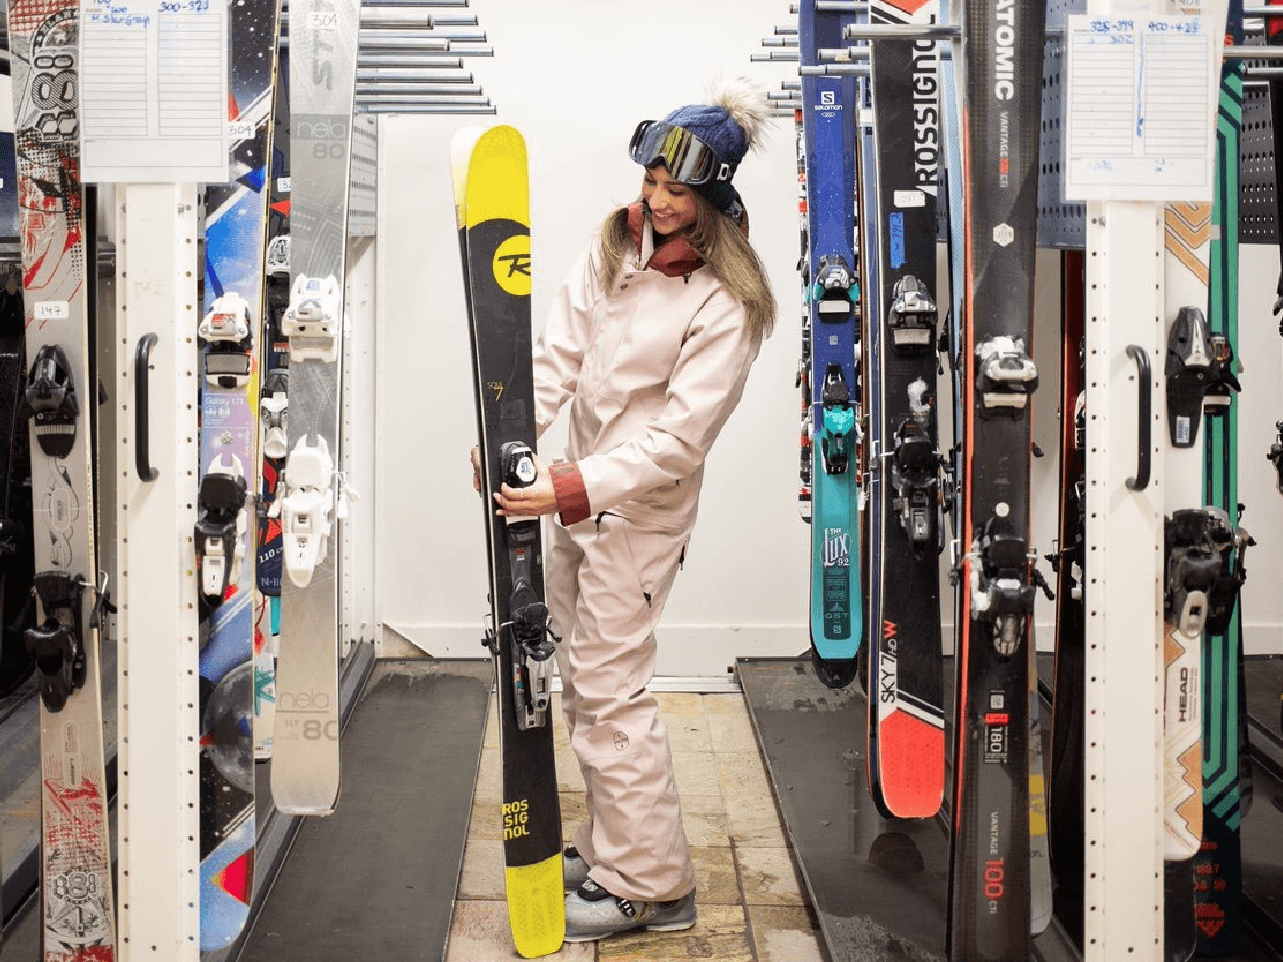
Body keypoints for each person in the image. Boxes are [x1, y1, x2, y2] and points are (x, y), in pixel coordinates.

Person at [475, 77, 776, 944]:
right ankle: (616, 847)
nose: (653, 199)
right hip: (576, 498)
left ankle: (651, 885)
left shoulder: (727, 304)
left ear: (712, 199)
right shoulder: (618, 248)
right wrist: (507, 438)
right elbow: (556, 353)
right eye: (649, 180)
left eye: (674, 190)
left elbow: (679, 442)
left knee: (612, 694)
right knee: (583, 684)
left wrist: (567, 487)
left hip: (638, 519)